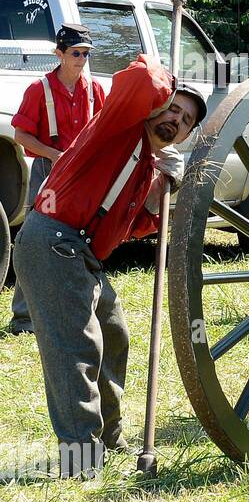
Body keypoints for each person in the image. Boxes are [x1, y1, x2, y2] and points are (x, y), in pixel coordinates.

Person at [11, 54, 204, 478]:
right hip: (52, 240)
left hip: (81, 253)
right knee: (76, 349)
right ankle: (81, 460)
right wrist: (168, 84)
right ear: (157, 105)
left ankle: (109, 440)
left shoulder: (149, 166)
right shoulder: (119, 124)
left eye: (186, 120)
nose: (176, 119)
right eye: (173, 107)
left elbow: (128, 228)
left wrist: (158, 194)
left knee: (114, 334)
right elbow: (137, 80)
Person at [8, 23, 107, 334]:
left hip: (82, 177)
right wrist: (53, 155)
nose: (81, 59)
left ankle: (77, 307)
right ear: (59, 54)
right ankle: (23, 317)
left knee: (84, 239)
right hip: (48, 174)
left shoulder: (94, 90)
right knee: (34, 240)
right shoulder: (39, 89)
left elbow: (103, 132)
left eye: (86, 53)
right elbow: (21, 134)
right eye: (76, 53)